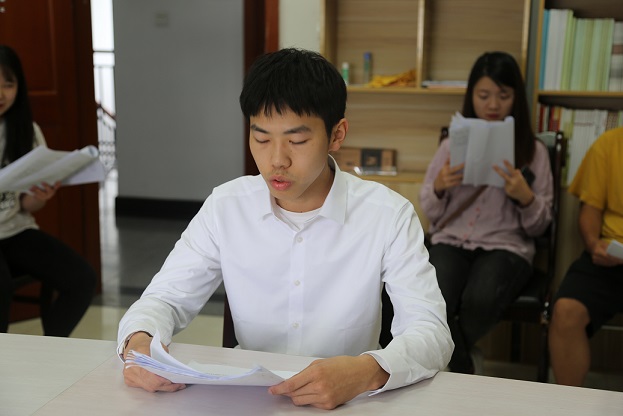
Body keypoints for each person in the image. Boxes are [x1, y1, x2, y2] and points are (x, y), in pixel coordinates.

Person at [117, 48, 453, 410]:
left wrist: (367, 371)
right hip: (251, 400)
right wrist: (139, 343)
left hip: (350, 401)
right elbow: (165, 299)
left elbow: (430, 330)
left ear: (337, 135)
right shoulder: (227, 206)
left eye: (297, 141)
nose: (277, 160)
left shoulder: (388, 215)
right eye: (261, 139)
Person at [419, 51, 553, 374]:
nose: (493, 105)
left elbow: (540, 227)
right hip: (452, 240)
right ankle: (464, 363)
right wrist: (439, 187)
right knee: (435, 295)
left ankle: (449, 363)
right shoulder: (451, 144)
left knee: (481, 297)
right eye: (483, 95)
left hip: (506, 246)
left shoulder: (534, 152)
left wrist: (526, 199)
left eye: (503, 96)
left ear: (516, 98)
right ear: (471, 97)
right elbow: (430, 210)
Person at [0, 45, 96, 336]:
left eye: (8, 84)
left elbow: (26, 205)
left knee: (81, 278)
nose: (1, 94)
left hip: (14, 229)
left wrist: (38, 197)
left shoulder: (26, 130)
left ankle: (51, 347)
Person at [548, 126, 623, 386]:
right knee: (566, 310)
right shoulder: (610, 143)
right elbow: (590, 210)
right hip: (612, 258)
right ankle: (569, 402)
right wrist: (594, 244)